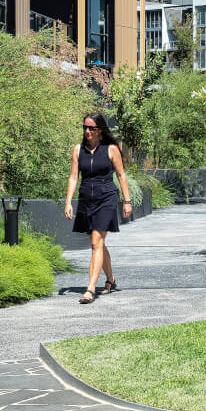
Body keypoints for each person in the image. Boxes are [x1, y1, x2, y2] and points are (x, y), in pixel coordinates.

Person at [64, 113, 132, 303]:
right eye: (85, 127)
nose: (87, 131)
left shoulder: (111, 149)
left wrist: (127, 201)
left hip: (106, 198)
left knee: (96, 243)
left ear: (100, 130)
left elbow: (121, 176)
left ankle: (90, 289)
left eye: (91, 128)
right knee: (98, 244)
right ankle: (111, 280)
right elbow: (73, 177)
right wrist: (68, 201)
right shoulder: (78, 150)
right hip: (86, 199)